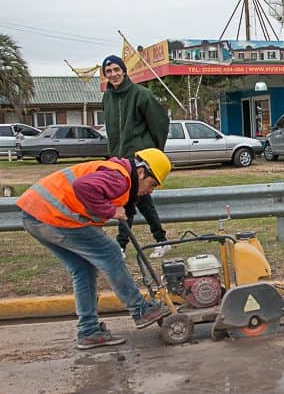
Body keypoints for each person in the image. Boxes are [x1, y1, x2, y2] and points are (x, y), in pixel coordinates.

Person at [17, 148, 173, 349]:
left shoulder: (117, 173)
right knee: (111, 252)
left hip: (35, 215)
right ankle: (141, 310)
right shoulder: (120, 178)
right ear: (141, 172)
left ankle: (89, 331)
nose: (150, 191)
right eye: (151, 184)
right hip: (50, 215)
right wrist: (111, 211)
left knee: (83, 269)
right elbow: (83, 186)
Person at [100, 54, 173, 258]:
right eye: (109, 71)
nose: (113, 74)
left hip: (140, 159)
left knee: (129, 201)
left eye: (116, 69)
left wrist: (154, 153)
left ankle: (121, 246)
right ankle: (161, 239)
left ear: (124, 70)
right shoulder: (107, 98)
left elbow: (160, 124)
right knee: (140, 201)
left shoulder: (142, 94)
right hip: (119, 159)